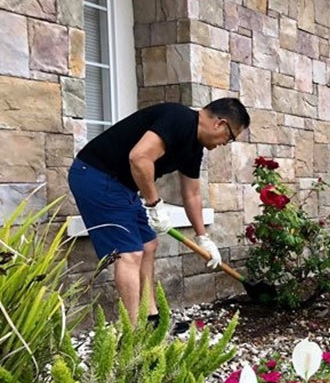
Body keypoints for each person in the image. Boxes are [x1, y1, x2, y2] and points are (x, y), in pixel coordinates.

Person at [68, 98, 250, 325]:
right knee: (129, 254)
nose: (225, 143)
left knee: (148, 245)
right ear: (220, 124)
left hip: (122, 186)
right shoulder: (180, 119)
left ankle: (151, 318)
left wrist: (203, 237)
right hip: (96, 176)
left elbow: (191, 194)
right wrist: (155, 204)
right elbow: (140, 157)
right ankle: (134, 335)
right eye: (230, 137)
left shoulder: (194, 147)